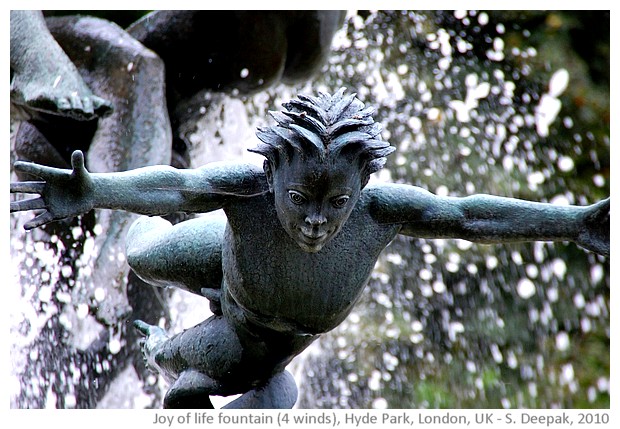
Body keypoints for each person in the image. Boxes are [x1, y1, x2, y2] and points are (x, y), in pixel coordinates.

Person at [10, 89, 610, 408]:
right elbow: (179, 186)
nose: (319, 222)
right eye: (300, 198)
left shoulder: (381, 211)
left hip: (257, 334)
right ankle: (124, 232)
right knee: (146, 255)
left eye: (337, 203)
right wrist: (96, 192)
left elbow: (467, 215)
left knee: (191, 375)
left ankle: (182, 357)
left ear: (363, 189)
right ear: (271, 175)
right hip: (223, 253)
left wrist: (573, 221)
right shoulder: (246, 189)